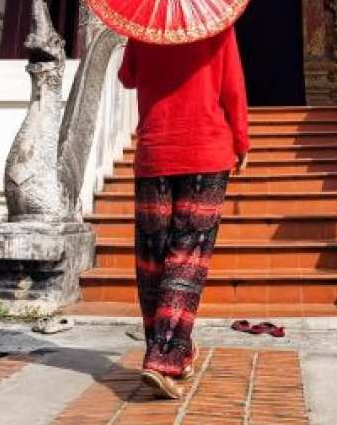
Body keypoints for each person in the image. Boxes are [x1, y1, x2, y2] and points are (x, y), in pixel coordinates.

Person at [118, 25, 250, 399]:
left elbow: (127, 77)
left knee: (153, 257)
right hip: (207, 151)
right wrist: (242, 139)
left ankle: (169, 349)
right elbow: (232, 86)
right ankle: (164, 357)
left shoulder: (143, 23)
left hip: (156, 151)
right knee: (187, 256)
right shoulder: (215, 24)